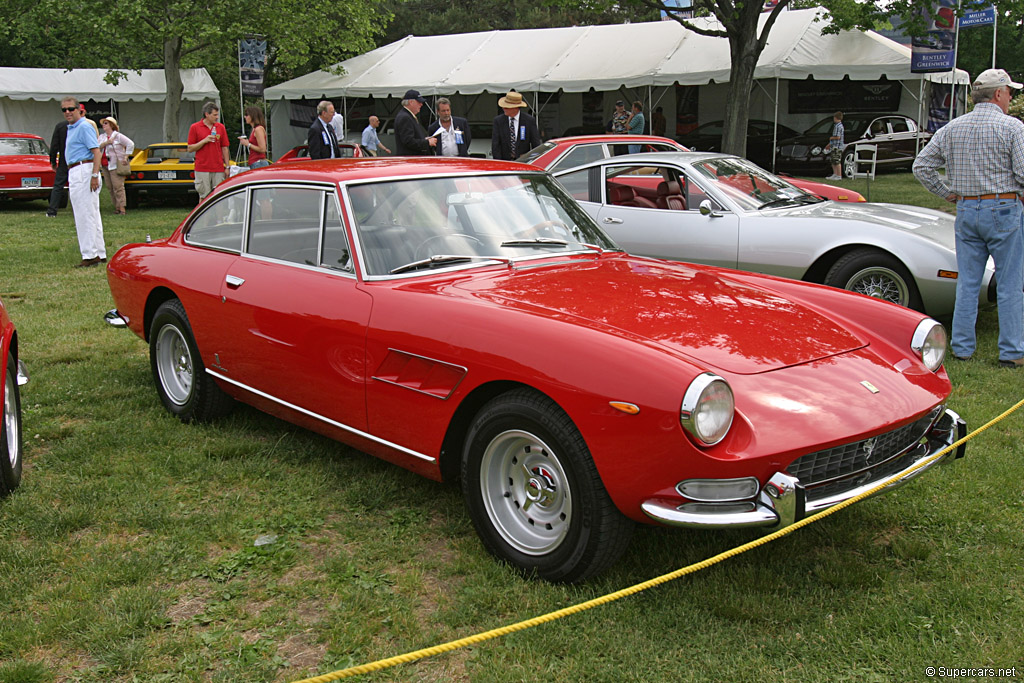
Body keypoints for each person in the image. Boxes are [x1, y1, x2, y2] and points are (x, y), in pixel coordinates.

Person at [913, 68, 1024, 369]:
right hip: (1002, 209)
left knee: (968, 282)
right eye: (1010, 92)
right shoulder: (1012, 127)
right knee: (1011, 283)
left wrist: (948, 193)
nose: (1011, 96)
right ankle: (1012, 352)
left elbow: (921, 166)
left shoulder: (953, 127)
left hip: (966, 211)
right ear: (999, 93)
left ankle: (962, 348)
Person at [61, 96, 105, 268]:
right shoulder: (72, 128)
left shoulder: (84, 126)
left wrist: (95, 175)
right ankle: (98, 252)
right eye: (64, 110)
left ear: (79, 110)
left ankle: (90, 254)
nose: (67, 112)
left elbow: (96, 152)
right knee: (92, 213)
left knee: (84, 214)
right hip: (77, 169)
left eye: (70, 109)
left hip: (83, 170)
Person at [186, 101, 230, 200]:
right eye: (214, 115)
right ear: (207, 114)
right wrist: (204, 141)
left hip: (218, 168)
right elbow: (190, 148)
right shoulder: (195, 127)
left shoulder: (220, 127)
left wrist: (227, 167)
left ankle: (219, 216)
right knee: (204, 197)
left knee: (219, 197)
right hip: (202, 168)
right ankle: (203, 215)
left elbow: (225, 148)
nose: (217, 117)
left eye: (217, 115)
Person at [97, 116, 134, 215]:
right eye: (103, 123)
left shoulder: (118, 136)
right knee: (109, 186)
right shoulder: (102, 137)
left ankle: (122, 208)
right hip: (105, 164)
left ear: (111, 125)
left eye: (106, 123)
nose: (103, 125)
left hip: (115, 164)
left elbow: (130, 144)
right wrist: (106, 143)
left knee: (118, 186)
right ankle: (116, 207)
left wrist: (125, 157)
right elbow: (97, 146)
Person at [491, 90, 539, 161]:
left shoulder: (529, 121)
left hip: (523, 162)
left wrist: (529, 159)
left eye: (507, 107)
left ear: (516, 108)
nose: (504, 109)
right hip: (505, 163)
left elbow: (536, 145)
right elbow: (495, 145)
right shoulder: (498, 121)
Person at [394, 90, 437, 156]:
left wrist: (424, 139)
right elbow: (408, 141)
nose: (421, 104)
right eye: (419, 102)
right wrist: (427, 142)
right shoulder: (405, 117)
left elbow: (412, 138)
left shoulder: (408, 116)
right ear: (411, 102)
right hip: (410, 160)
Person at [46, 118, 68, 218]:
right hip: (76, 161)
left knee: (58, 186)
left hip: (64, 160)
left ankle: (52, 211)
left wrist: (53, 161)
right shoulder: (84, 125)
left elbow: (54, 145)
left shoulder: (61, 126)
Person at [823, 111, 844, 180]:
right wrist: (829, 144)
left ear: (835, 118)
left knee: (837, 160)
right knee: (833, 160)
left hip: (837, 146)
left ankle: (839, 175)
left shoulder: (838, 126)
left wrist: (831, 138)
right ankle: (835, 174)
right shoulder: (837, 126)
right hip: (834, 145)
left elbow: (838, 137)